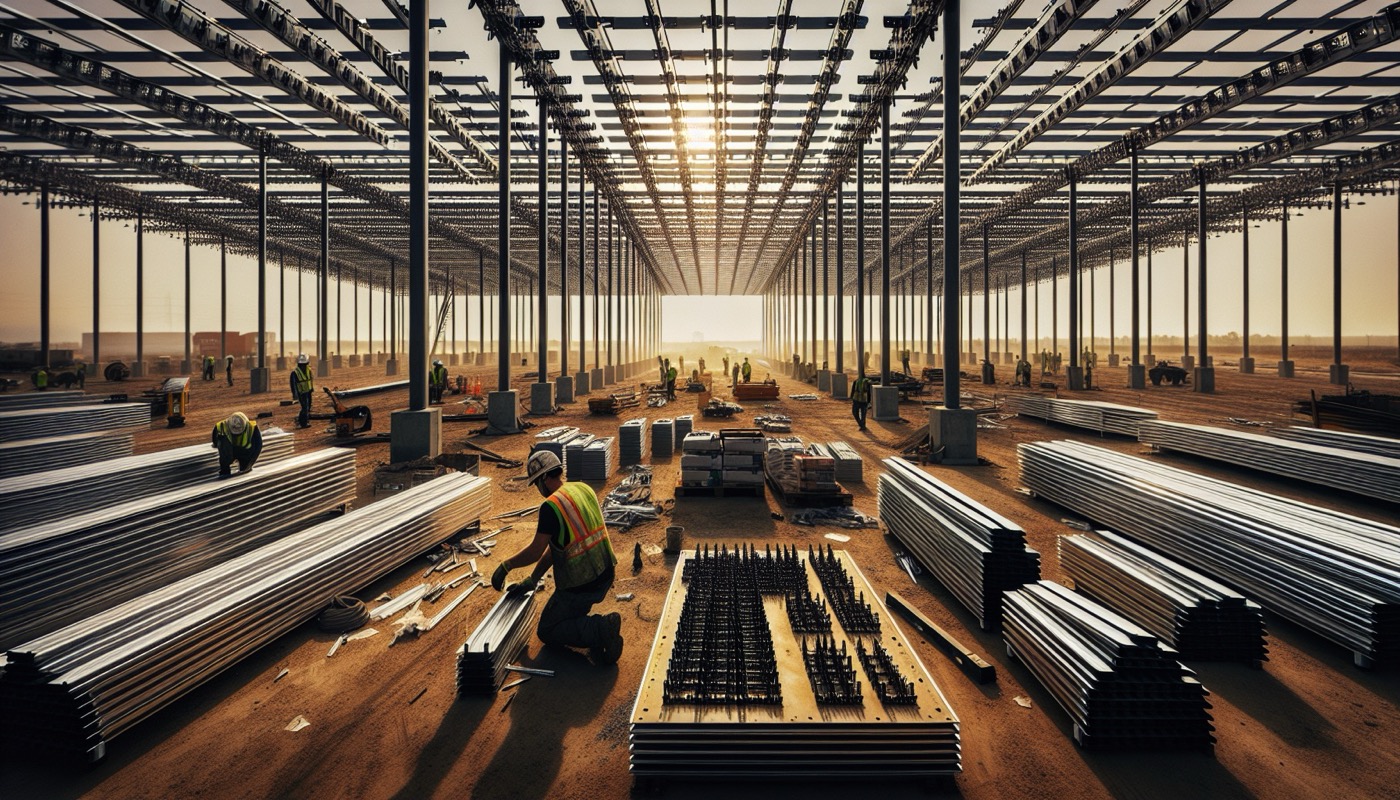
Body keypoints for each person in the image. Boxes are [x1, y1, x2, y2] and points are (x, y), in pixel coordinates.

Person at [491, 450, 623, 665]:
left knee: (548, 630)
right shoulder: (582, 488)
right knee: (565, 615)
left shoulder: (551, 506)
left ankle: (600, 629)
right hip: (605, 573)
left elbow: (535, 551)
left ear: (544, 478)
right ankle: (593, 628)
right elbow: (559, 546)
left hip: (580, 584)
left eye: (536, 483)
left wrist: (507, 566)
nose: (537, 489)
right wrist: (533, 579)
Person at [211, 411, 263, 478]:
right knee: (223, 442)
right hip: (230, 450)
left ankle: (244, 466)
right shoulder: (221, 426)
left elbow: (258, 446)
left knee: (245, 466)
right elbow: (215, 440)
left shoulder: (252, 427)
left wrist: (249, 464)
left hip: (245, 451)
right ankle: (225, 471)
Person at [290, 354, 314, 428]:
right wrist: (295, 395)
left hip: (308, 391)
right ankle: (303, 423)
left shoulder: (308, 370)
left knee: (308, 407)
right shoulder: (295, 373)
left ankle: (303, 420)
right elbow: (293, 385)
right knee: (305, 407)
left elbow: (310, 379)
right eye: (301, 365)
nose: (303, 366)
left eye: (304, 364)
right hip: (301, 393)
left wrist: (311, 388)